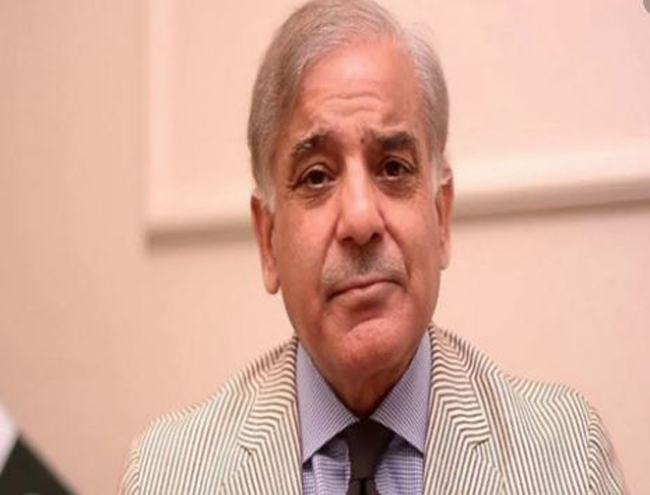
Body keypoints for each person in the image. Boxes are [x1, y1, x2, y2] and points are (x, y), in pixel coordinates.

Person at [120, 0, 626, 493]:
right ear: (267, 240)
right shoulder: (167, 475)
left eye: (393, 168)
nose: (361, 220)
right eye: (316, 176)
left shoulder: (566, 458)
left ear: (441, 215)